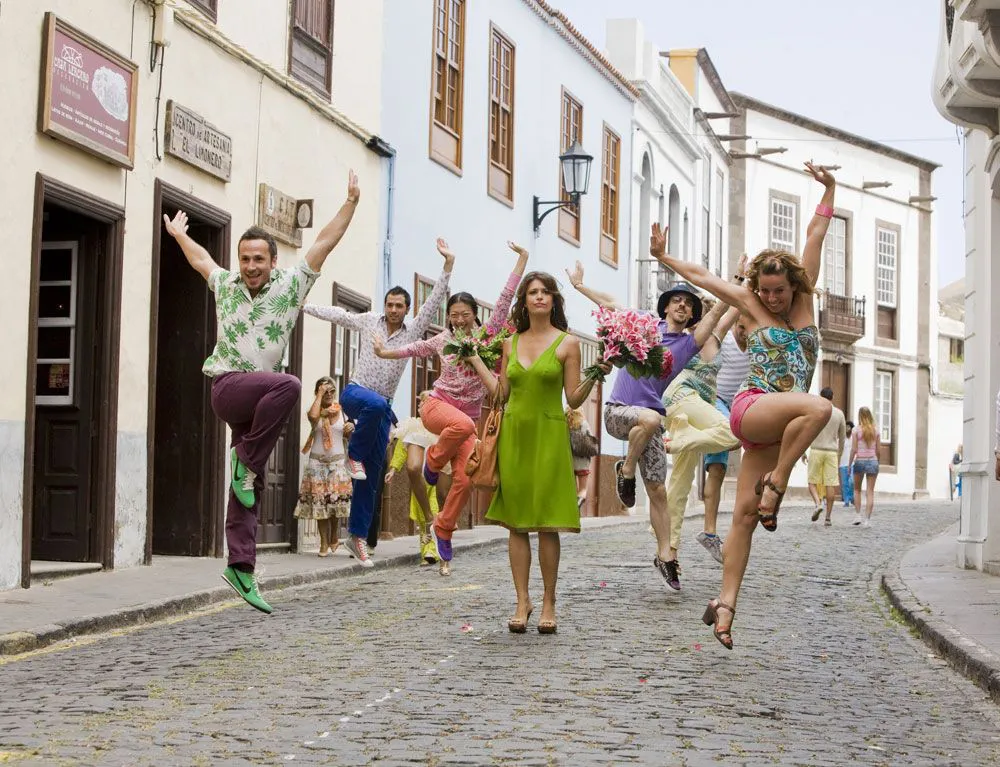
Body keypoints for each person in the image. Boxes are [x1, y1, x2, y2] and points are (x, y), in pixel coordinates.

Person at [649, 161, 837, 649]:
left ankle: (725, 606)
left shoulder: (805, 299)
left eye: (780, 291)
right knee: (819, 409)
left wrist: (829, 190)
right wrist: (664, 255)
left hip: (780, 428)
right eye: (766, 291)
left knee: (744, 519)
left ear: (795, 286)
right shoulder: (751, 304)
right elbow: (704, 276)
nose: (772, 299)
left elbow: (815, 233)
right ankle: (776, 484)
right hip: (754, 408)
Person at [162, 171, 360, 614]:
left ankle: (241, 568)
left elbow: (324, 243)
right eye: (245, 258)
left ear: (273, 262)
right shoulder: (226, 286)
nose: (250, 266)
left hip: (257, 407)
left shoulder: (292, 286)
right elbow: (199, 261)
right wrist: (177, 235)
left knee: (245, 489)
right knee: (290, 385)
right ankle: (245, 466)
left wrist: (349, 205)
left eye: (258, 259)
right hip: (229, 387)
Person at [565, 261, 724, 589]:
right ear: (666, 307)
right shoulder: (645, 324)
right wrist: (581, 287)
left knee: (657, 490)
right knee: (651, 418)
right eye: (677, 300)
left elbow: (718, 313)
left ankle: (666, 556)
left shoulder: (688, 344)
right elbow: (610, 304)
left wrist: (738, 283)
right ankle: (625, 470)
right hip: (618, 412)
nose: (683, 305)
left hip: (648, 425)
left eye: (689, 303)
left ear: (691, 314)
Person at [468, 271, 611, 634]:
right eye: (533, 292)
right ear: (525, 301)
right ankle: (522, 600)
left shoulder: (568, 344)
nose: (540, 297)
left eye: (546, 292)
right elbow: (500, 394)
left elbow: (574, 397)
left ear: (553, 300)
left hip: (549, 435)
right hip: (514, 435)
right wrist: (475, 360)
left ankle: (548, 600)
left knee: (547, 523)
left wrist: (597, 373)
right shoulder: (509, 343)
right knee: (516, 523)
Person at [372, 242, 529, 571]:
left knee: (465, 480)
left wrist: (522, 260)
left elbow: (503, 302)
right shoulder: (443, 340)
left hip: (465, 424)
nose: (458, 320)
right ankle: (432, 461)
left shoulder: (486, 339)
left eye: (464, 315)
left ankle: (442, 527)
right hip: (437, 410)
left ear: (474, 316)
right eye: (453, 315)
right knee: (463, 427)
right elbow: (414, 348)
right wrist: (385, 353)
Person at [302, 239, 455, 568]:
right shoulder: (369, 321)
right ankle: (353, 456)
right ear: (384, 305)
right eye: (390, 304)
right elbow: (339, 315)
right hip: (356, 393)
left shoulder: (413, 331)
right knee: (371, 408)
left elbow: (434, 303)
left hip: (381, 409)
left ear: (407, 309)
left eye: (399, 305)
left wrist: (447, 266)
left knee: (370, 478)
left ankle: (356, 538)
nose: (393, 309)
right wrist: (305, 306)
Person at [658, 296, 742, 588]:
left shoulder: (716, 337)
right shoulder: (686, 340)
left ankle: (668, 554)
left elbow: (735, 304)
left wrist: (745, 279)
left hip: (694, 416)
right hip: (680, 399)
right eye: (702, 313)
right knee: (732, 432)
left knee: (679, 486)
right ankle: (678, 443)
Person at [699, 314, 750, 564]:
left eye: (749, 329)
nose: (745, 333)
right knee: (731, 434)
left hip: (737, 405)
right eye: (741, 327)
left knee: (717, 470)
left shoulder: (758, 347)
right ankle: (680, 442)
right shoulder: (725, 339)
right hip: (714, 399)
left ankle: (710, 532)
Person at [384, 397, 452, 569]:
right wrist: (393, 469)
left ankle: (436, 548)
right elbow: (401, 447)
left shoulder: (440, 427)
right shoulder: (413, 425)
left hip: (436, 478)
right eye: (421, 402)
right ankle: (427, 550)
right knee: (423, 514)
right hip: (419, 481)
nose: (423, 405)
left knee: (436, 510)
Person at [294, 377, 354, 556]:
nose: (329, 395)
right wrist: (319, 395)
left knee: (335, 504)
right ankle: (323, 542)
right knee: (320, 504)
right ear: (318, 392)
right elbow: (312, 417)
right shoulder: (316, 412)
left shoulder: (343, 412)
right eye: (324, 391)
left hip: (337, 463)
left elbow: (350, 437)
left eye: (331, 391)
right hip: (317, 463)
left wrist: (350, 430)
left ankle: (334, 535)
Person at [807, 388, 846, 526]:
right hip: (831, 452)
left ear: (820, 397)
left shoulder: (815, 411)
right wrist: (839, 455)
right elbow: (842, 438)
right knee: (830, 484)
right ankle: (828, 518)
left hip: (816, 449)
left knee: (812, 481)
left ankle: (818, 503)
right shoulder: (839, 414)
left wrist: (803, 452)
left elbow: (808, 432)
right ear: (833, 397)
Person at [850, 406, 881, 527]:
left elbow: (853, 449)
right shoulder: (876, 431)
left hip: (860, 461)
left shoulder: (856, 430)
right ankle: (867, 520)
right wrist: (878, 461)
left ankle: (858, 515)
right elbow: (878, 450)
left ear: (860, 416)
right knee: (870, 492)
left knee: (857, 490)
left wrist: (849, 464)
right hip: (873, 461)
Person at [566, 408, 597, 510]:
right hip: (582, 462)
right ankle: (579, 502)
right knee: (583, 489)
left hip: (570, 461)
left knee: (572, 489)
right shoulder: (583, 423)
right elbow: (590, 440)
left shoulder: (565, 424)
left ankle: (572, 510)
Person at [839, 420, 855, 508]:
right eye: (846, 427)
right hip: (842, 463)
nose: (847, 428)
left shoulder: (854, 438)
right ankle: (846, 501)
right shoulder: (841, 438)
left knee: (852, 481)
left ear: (851, 428)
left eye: (848, 427)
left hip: (852, 463)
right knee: (844, 483)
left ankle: (852, 497)